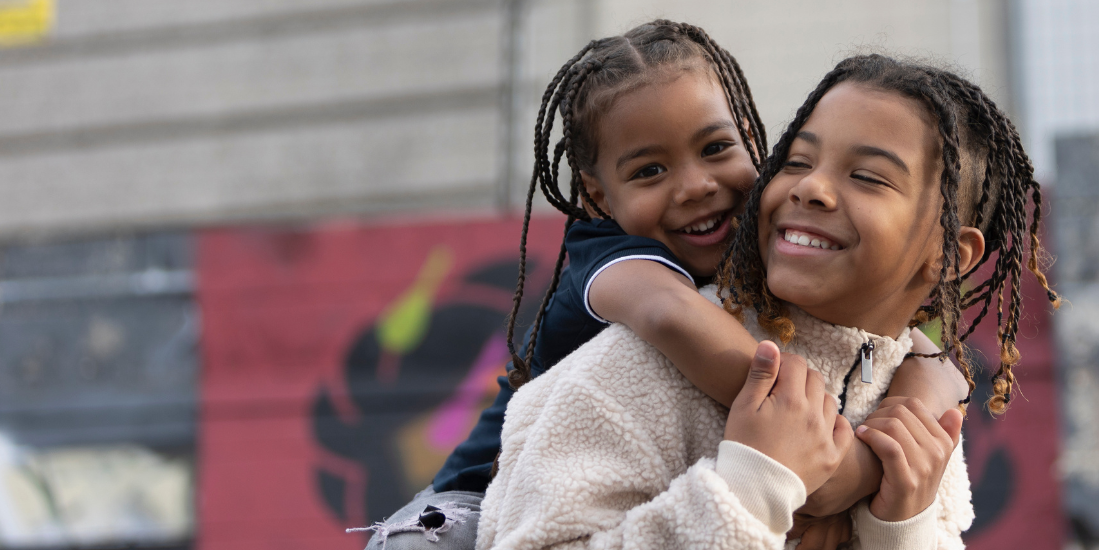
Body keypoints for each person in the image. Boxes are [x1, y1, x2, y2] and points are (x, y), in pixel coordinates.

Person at [361, 23, 969, 550]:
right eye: (650, 170)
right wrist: (835, 467)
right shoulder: (614, 258)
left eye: (716, 148)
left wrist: (911, 406)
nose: (696, 185)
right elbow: (677, 321)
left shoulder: (770, 246)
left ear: (755, 143)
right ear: (600, 197)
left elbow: (928, 359)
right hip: (466, 508)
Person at [477, 53, 1059, 549]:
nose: (809, 186)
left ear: (947, 255)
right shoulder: (629, 371)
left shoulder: (912, 421)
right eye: (798, 161)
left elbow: (939, 365)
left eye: (868, 176)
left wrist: (898, 526)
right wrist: (751, 487)